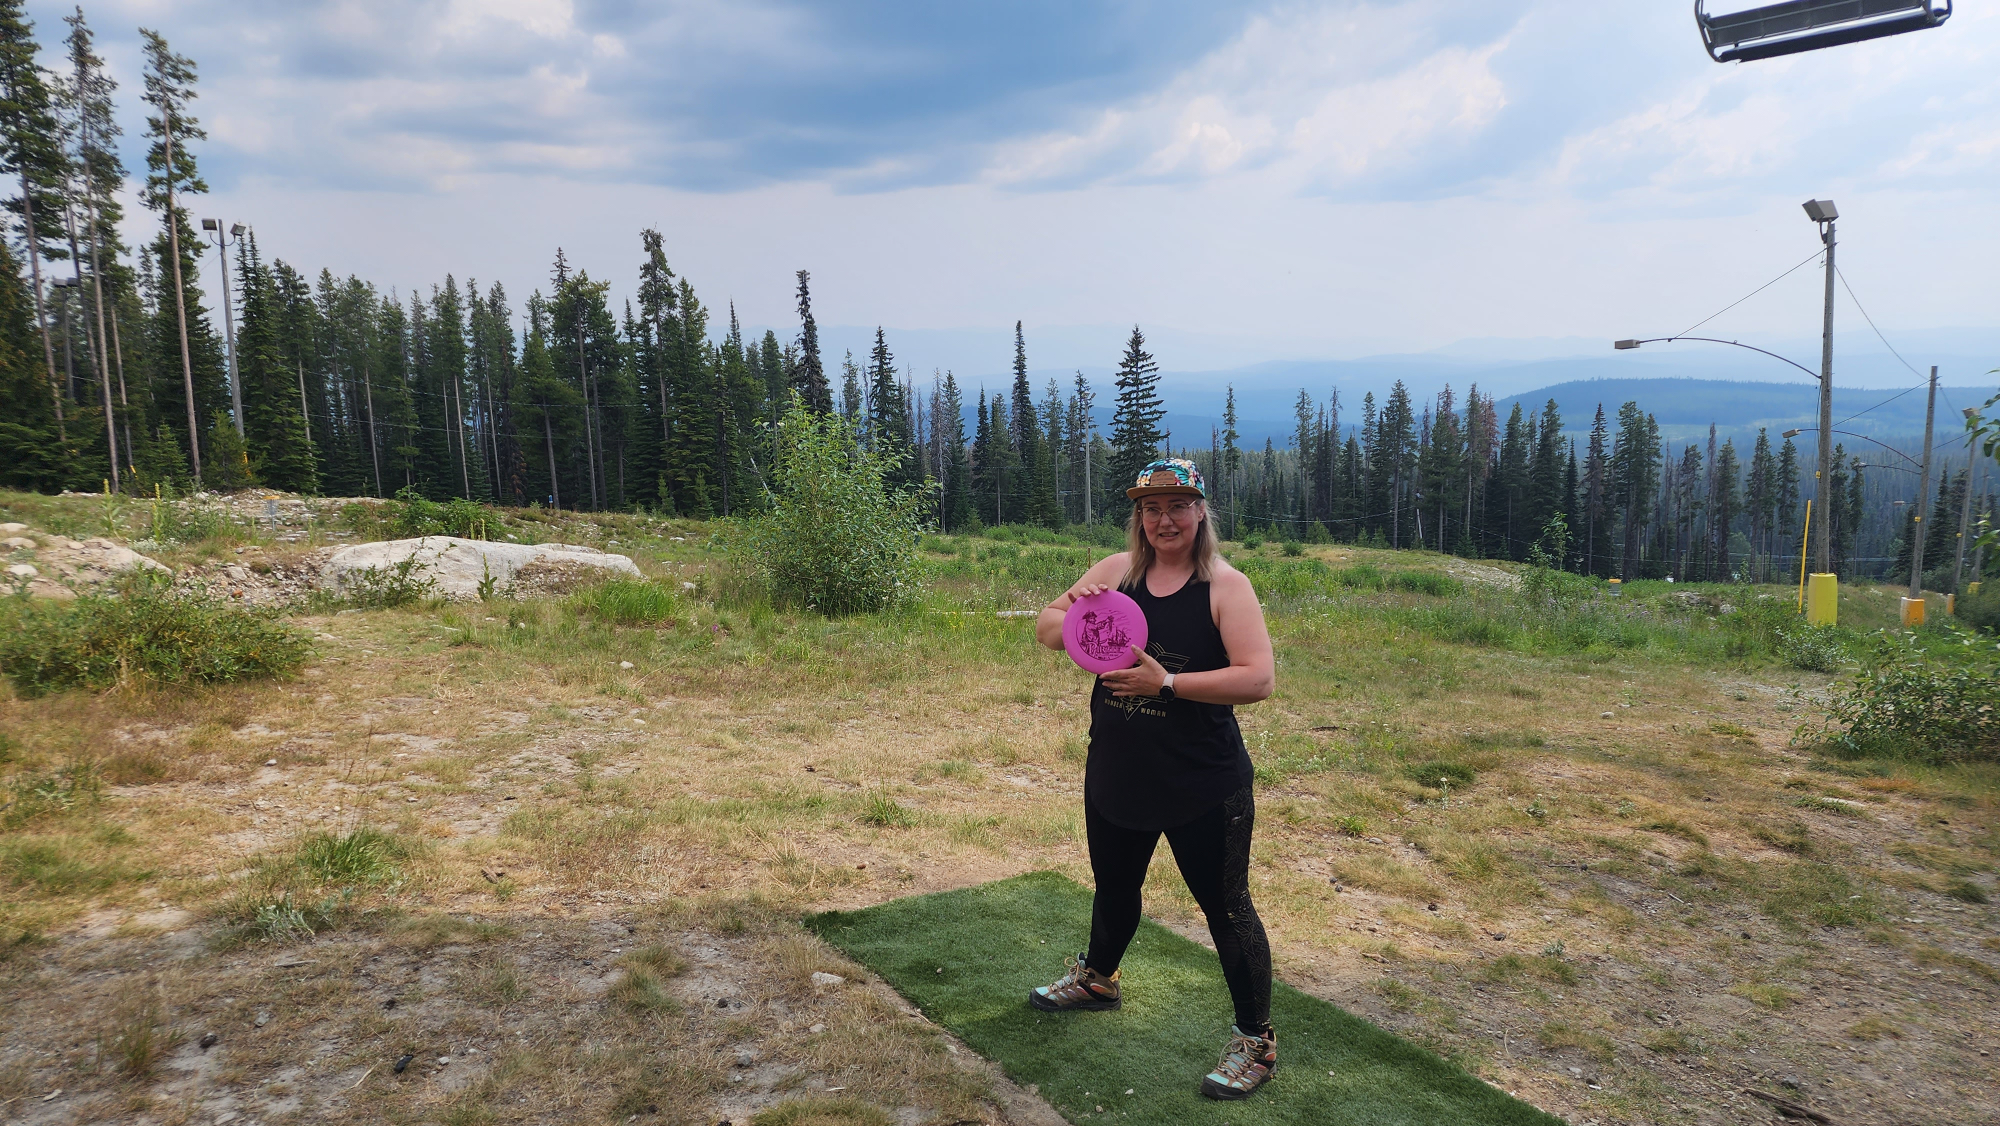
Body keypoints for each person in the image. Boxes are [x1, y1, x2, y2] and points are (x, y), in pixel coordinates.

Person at [1029, 457, 1278, 1101]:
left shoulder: (1226, 586)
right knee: (1114, 889)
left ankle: (1255, 1041)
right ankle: (1098, 979)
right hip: (1118, 767)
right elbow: (1047, 630)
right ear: (1139, 516)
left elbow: (1257, 679)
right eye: (1150, 508)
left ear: (1201, 511)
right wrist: (1076, 613)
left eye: (1176, 506)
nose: (1163, 519)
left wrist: (1164, 681)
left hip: (1203, 782)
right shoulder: (1115, 573)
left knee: (1226, 910)